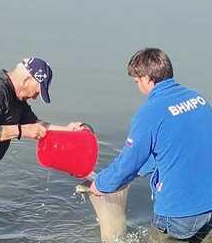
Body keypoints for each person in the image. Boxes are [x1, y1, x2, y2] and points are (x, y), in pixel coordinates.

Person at [90, 48, 212, 242]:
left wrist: (101, 184)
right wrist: (140, 171)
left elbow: (128, 162)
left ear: (147, 78)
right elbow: (175, 147)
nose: (138, 87)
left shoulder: (150, 113)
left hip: (179, 211)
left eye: (137, 81)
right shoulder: (198, 100)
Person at [0, 57, 83, 238]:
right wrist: (22, 131)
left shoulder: (17, 98)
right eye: (37, 91)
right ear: (27, 79)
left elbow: (35, 125)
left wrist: (68, 130)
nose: (35, 97)